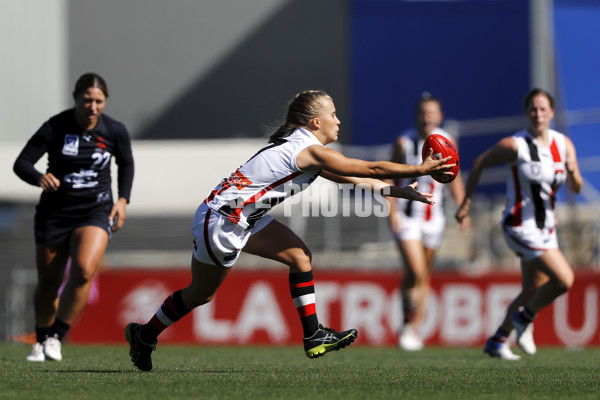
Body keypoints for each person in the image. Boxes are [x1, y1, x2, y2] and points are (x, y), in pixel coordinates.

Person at [124, 90, 455, 371]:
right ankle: (145, 334)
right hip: (222, 219)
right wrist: (421, 168)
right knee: (201, 293)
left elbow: (358, 178)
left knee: (300, 256)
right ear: (315, 123)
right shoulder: (307, 149)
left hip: (244, 218)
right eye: (333, 114)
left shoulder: (308, 150)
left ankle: (314, 336)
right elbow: (371, 166)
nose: (338, 121)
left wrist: (402, 190)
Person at [13, 73, 135, 362]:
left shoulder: (115, 130)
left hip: (95, 210)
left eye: (99, 101)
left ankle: (56, 336)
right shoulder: (56, 126)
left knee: (82, 271)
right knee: (48, 282)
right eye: (87, 100)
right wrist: (40, 177)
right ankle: (40, 339)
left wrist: (122, 200)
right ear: (76, 98)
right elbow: (21, 163)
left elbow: (126, 163)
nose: (93, 107)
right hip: (54, 213)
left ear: (105, 102)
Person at [455, 88, 583, 360]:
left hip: (547, 228)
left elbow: (577, 185)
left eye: (543, 109)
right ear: (526, 113)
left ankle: (497, 339)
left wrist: (573, 171)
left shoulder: (564, 144)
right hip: (519, 225)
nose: (538, 114)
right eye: (533, 109)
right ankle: (525, 317)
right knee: (564, 279)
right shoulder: (516, 145)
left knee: (531, 289)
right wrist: (465, 203)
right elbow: (479, 164)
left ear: (551, 113)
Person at [387, 93, 469, 351]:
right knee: (416, 270)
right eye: (423, 113)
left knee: (424, 276)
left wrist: (462, 207)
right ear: (416, 115)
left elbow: (454, 175)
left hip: (434, 218)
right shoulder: (405, 142)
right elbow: (388, 177)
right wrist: (391, 212)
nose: (427, 118)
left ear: (439, 115)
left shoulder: (447, 141)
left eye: (431, 113)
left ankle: (411, 328)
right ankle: (408, 324)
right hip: (407, 215)